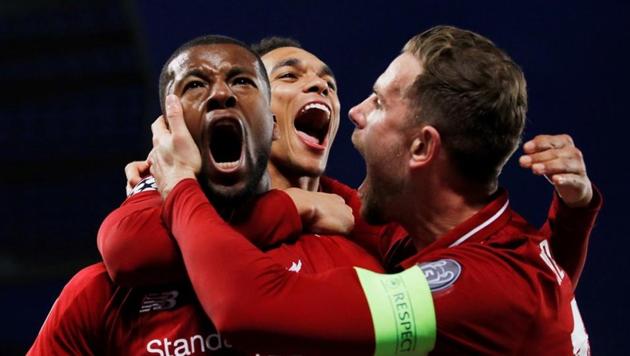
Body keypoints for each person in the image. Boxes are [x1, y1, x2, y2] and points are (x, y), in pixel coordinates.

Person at [146, 26, 600, 354]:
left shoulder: (476, 288)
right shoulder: (459, 236)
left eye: (379, 102)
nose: (357, 113)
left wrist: (180, 184)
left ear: (422, 147)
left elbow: (250, 309)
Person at [28, 35, 383, 355]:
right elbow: (126, 245)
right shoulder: (102, 293)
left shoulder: (356, 263)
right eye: (196, 85)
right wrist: (290, 205)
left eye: (242, 82)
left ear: (271, 125)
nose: (221, 94)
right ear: (168, 131)